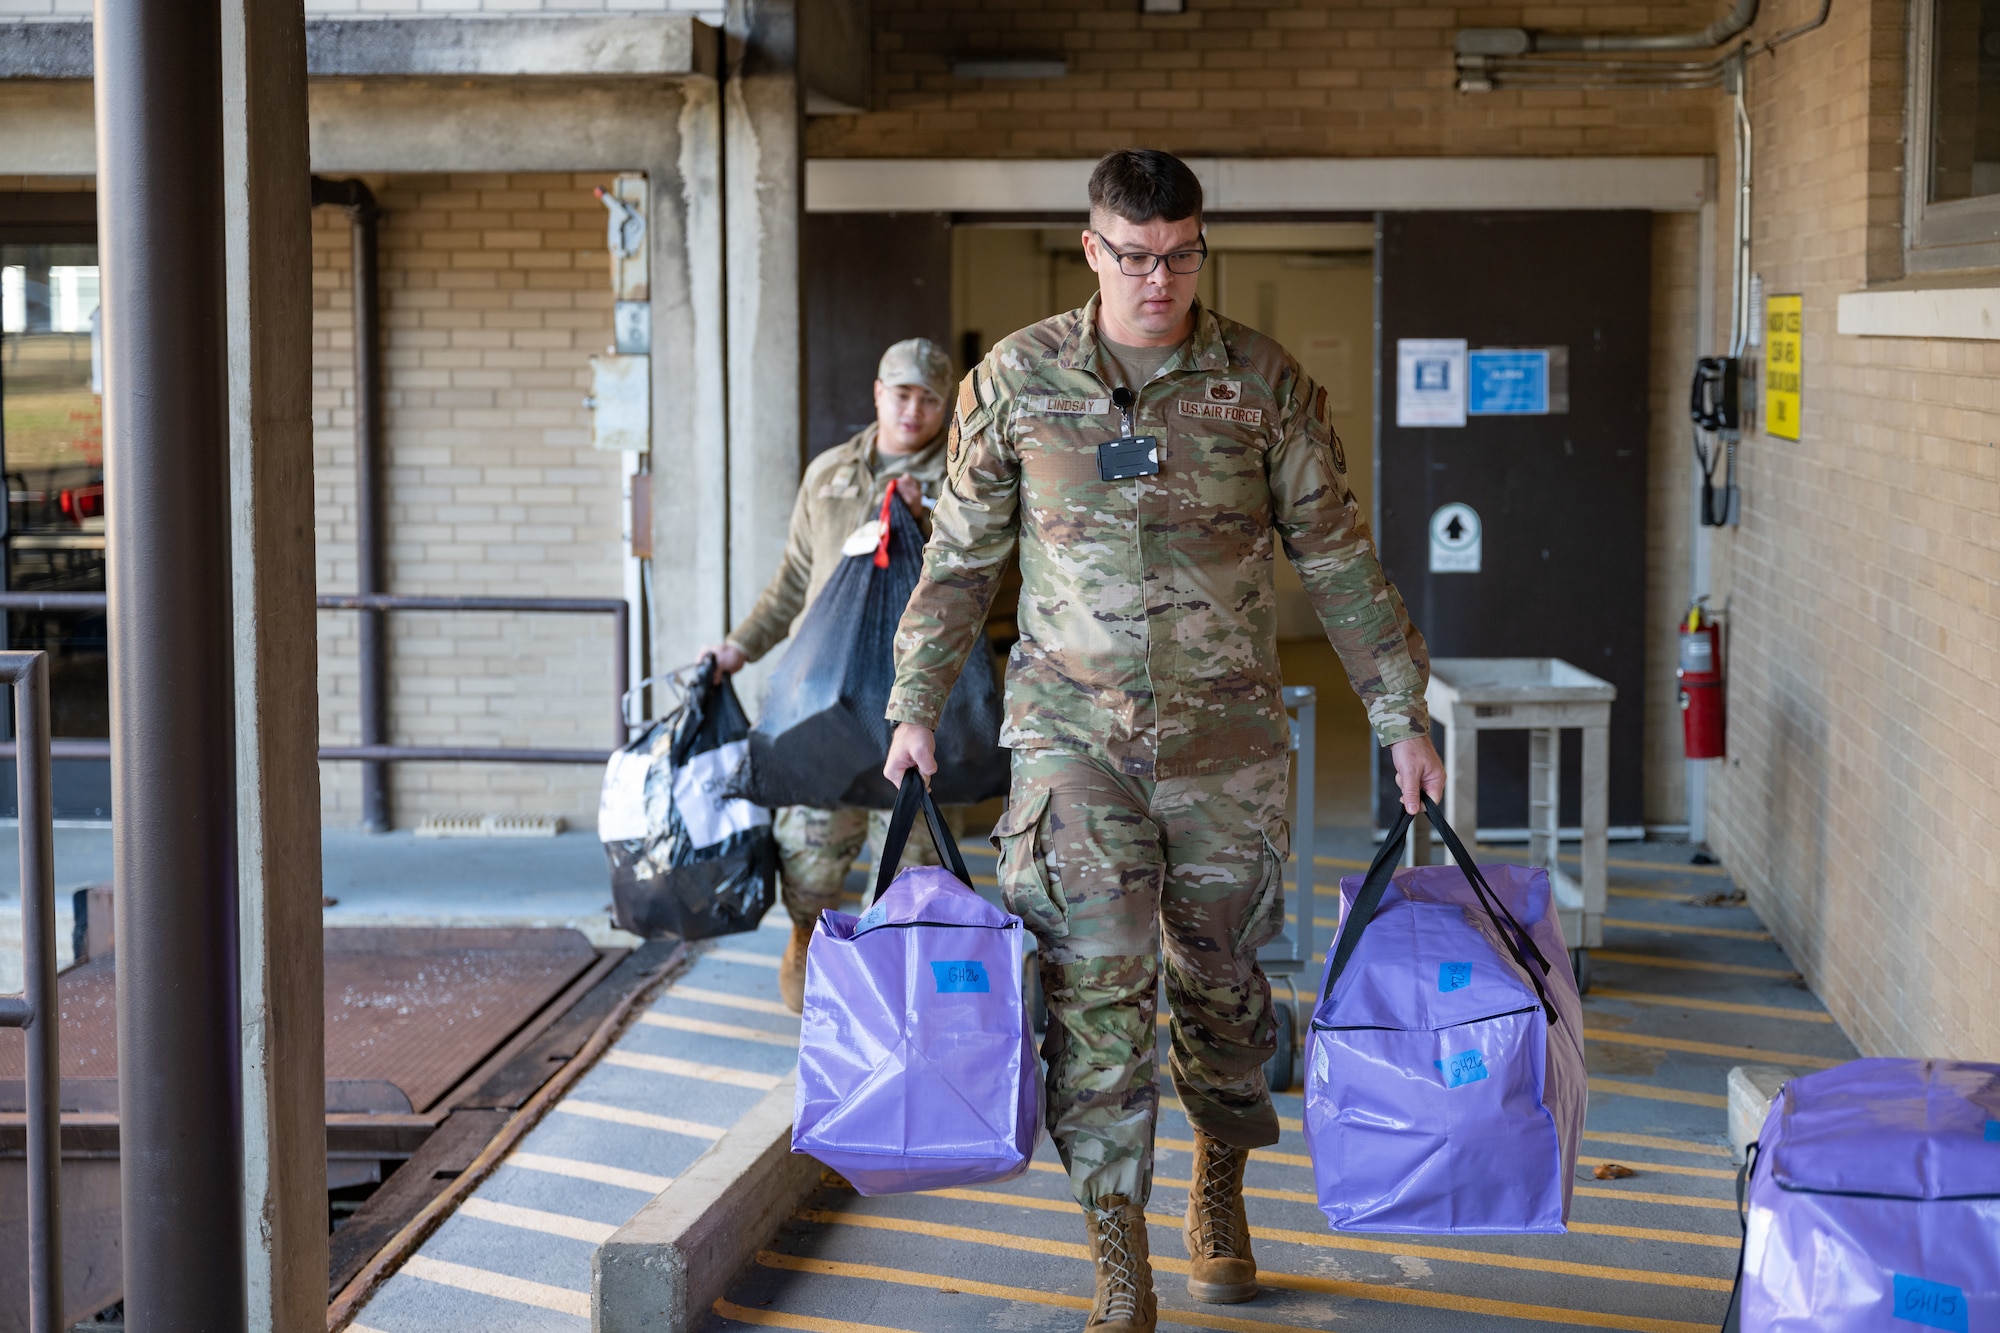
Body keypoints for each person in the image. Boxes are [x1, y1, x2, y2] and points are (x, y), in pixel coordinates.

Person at [881, 150, 1446, 1333]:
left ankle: (1221, 1181)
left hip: (1226, 749)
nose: (1158, 280)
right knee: (1094, 987)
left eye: (1180, 255)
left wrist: (1398, 715)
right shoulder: (1018, 381)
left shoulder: (1258, 382)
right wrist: (916, 702)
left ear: (1200, 247)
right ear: (1091, 249)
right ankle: (1113, 1245)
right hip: (1070, 742)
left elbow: (1337, 558)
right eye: (1134, 257)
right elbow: (960, 560)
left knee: (1224, 984)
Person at [704, 337, 958, 1013]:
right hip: (824, 703)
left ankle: (896, 997)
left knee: (912, 866)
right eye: (901, 393)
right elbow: (792, 578)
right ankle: (804, 936)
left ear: (946, 403)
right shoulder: (829, 474)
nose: (913, 408)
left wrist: (926, 514)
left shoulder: (968, 474)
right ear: (877, 393)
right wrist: (739, 647)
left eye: (929, 397)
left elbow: (990, 575)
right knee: (810, 855)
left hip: (914, 704)